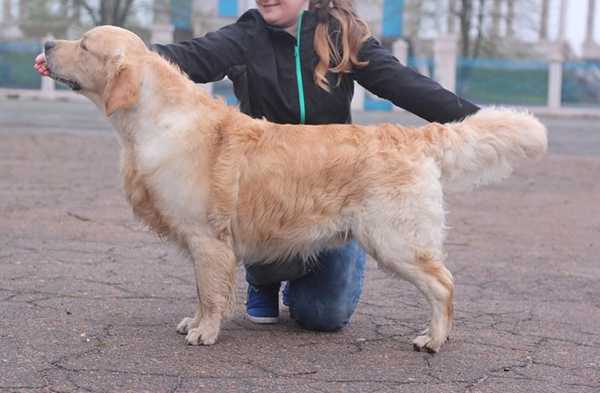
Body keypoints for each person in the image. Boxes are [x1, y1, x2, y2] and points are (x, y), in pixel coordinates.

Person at [34, 0, 479, 332]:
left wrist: (473, 121)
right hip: (264, 180)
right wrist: (99, 59)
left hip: (338, 175)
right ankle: (263, 276)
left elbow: (404, 84)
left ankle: (281, 271)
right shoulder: (246, 34)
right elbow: (184, 58)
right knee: (244, 220)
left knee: (323, 316)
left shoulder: (343, 34)